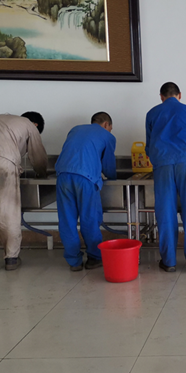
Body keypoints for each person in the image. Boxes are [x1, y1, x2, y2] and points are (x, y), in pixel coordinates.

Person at [0, 112, 47, 275]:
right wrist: (41, 173)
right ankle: (11, 258)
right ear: (36, 125)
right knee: (9, 211)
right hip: (4, 161)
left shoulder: (1, 118)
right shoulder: (29, 126)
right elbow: (38, 156)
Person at [146, 82, 186, 273]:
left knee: (165, 212)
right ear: (179, 95)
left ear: (161, 97)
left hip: (163, 164)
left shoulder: (152, 113)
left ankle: (169, 262)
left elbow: (149, 146)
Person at [55, 112, 117, 271]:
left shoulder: (75, 129)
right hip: (86, 179)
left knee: (67, 220)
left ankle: (74, 261)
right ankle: (94, 258)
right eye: (110, 128)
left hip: (63, 176)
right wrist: (114, 178)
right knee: (89, 219)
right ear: (106, 124)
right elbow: (108, 166)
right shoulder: (107, 136)